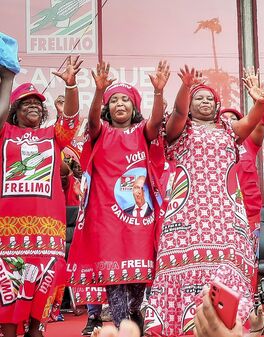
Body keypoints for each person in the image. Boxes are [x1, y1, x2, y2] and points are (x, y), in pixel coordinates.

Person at [143, 66, 264, 337]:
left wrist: (260, 102)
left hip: (225, 211)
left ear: (217, 106)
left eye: (210, 99)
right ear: (190, 106)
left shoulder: (229, 131)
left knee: (228, 263)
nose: (205, 103)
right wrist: (185, 87)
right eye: (198, 99)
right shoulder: (179, 131)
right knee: (181, 264)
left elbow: (251, 122)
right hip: (187, 212)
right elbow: (179, 113)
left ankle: (231, 322)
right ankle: (180, 324)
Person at [67, 60, 171, 332]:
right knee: (115, 285)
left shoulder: (142, 132)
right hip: (106, 221)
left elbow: (157, 121)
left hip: (140, 222)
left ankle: (133, 320)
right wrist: (99, 90)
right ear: (107, 107)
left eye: (126, 100)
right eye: (114, 101)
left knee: (136, 292)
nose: (120, 105)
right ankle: (124, 328)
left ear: (135, 107)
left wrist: (159, 92)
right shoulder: (100, 133)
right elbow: (91, 121)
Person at [0, 55, 81, 337]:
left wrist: (71, 87)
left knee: (40, 310)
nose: (33, 105)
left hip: (47, 232)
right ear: (14, 110)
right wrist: (7, 78)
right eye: (25, 103)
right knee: (8, 308)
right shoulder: (4, 133)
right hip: (8, 233)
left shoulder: (51, 136)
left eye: (37, 103)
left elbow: (70, 121)